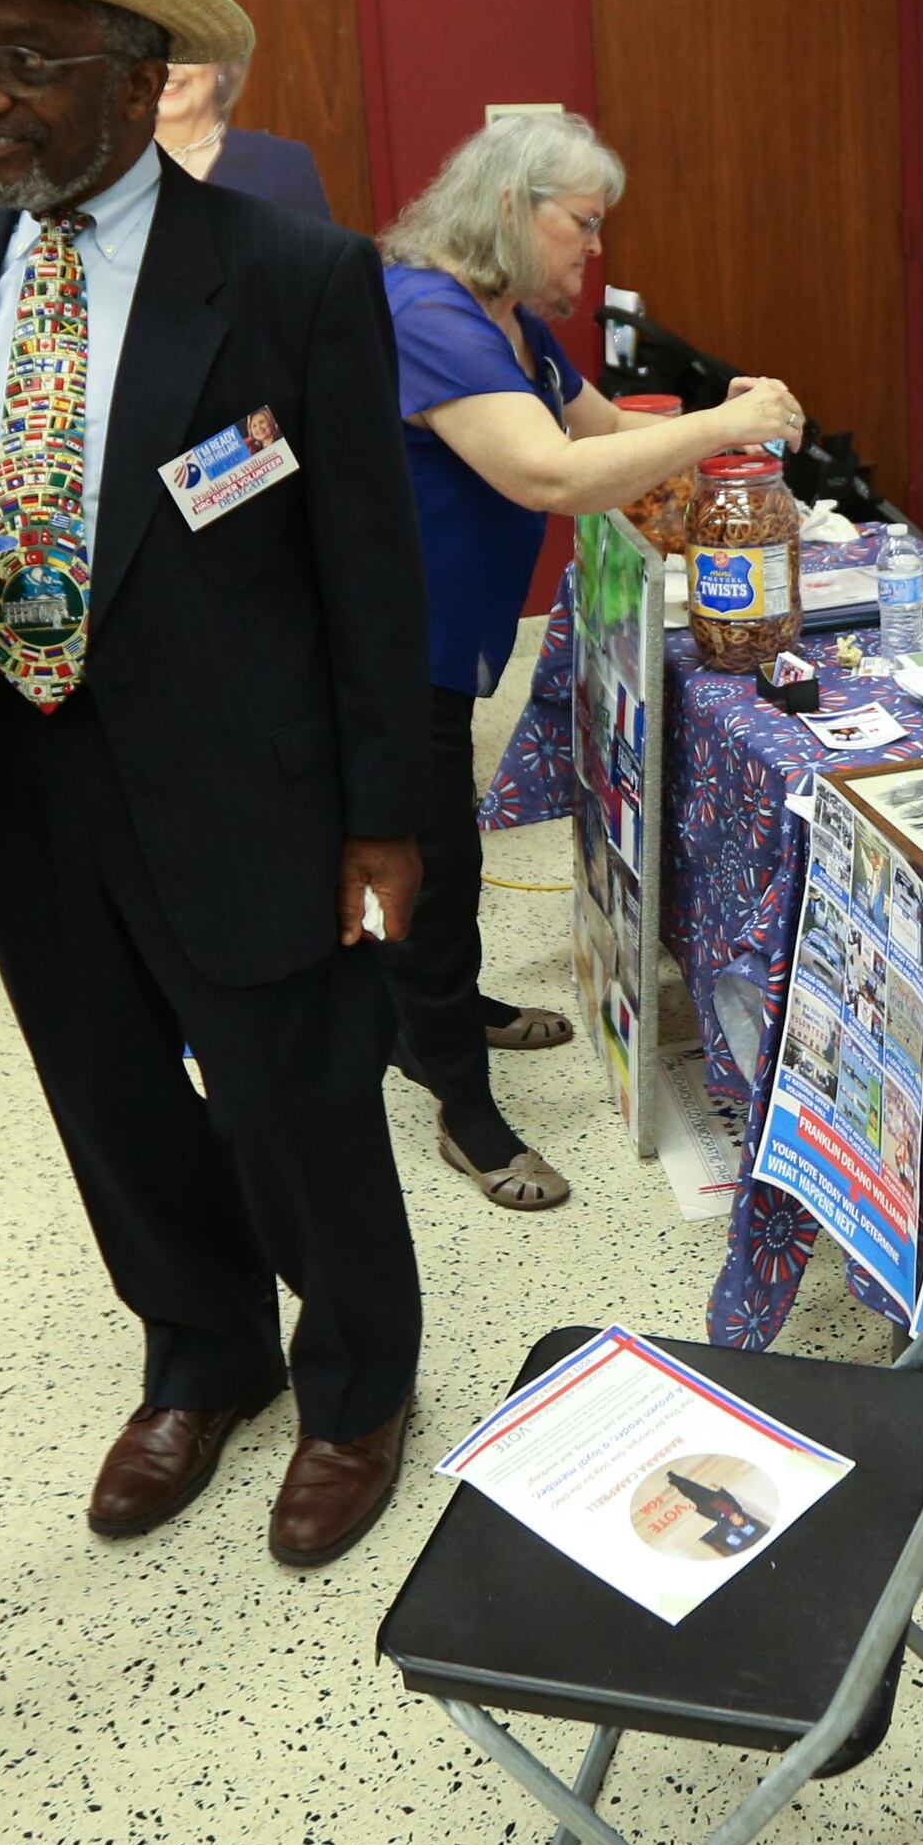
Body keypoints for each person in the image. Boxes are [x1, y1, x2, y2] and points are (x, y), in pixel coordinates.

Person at [0, 0, 430, 1570]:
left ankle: (359, 1383)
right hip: (17, 772)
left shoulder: (293, 279)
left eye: (27, 61)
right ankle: (203, 1352)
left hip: (245, 777)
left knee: (297, 1097)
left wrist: (388, 818)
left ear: (140, 64)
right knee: (106, 1098)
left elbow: (365, 573)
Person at [372, 113, 799, 1208]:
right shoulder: (427, 312)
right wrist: (723, 421)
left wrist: (710, 454)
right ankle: (463, 1112)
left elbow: (603, 433)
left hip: (442, 631)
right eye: (583, 224)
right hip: (381, 642)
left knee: (445, 842)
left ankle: (445, 1017)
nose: (591, 250)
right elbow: (553, 475)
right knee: (427, 866)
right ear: (513, 210)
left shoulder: (508, 320)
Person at [151, 48, 334, 220]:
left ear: (222, 63)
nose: (169, 67)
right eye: (151, 50)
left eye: (183, 49)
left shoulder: (284, 164)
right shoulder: (123, 169)